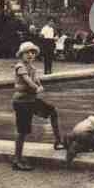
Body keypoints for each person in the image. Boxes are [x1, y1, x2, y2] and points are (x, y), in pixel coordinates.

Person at [11, 41, 65, 171]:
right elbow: (28, 81)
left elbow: (37, 82)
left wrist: (38, 86)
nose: (30, 55)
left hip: (31, 101)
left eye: (33, 52)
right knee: (22, 131)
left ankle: (58, 141)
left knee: (52, 111)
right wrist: (36, 88)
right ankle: (17, 160)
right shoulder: (20, 66)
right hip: (22, 103)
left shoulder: (33, 68)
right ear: (21, 55)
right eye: (27, 52)